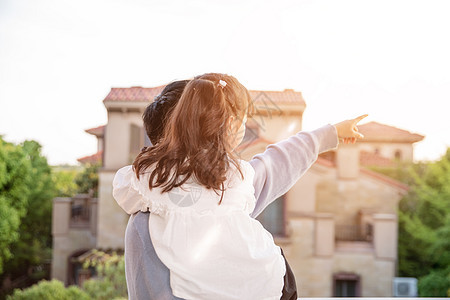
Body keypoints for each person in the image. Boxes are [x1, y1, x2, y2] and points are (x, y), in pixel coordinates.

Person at [114, 73, 366, 300]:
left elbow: (272, 163)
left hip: (271, 281)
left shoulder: (217, 181)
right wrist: (327, 134)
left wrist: (327, 134)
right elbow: (271, 165)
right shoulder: (222, 182)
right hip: (273, 283)